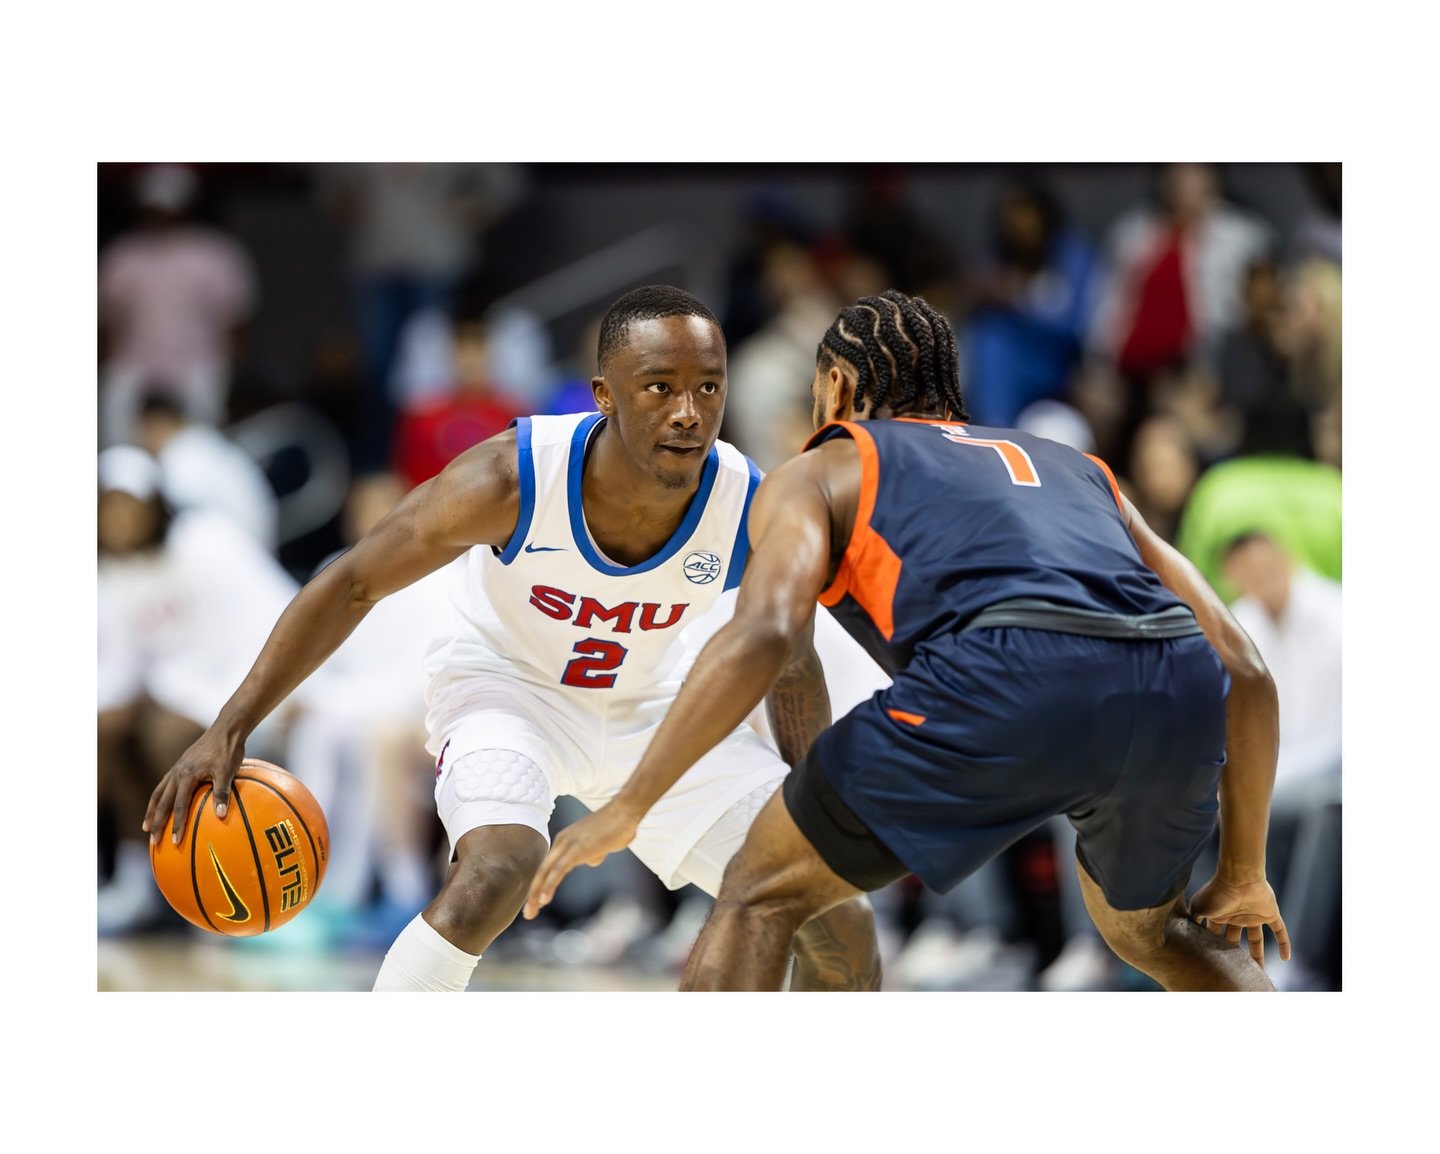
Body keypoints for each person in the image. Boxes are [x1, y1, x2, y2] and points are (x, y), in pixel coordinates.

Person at [524, 289, 1290, 992]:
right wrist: (1245, 870)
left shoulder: (824, 464)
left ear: (839, 389)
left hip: (1007, 670)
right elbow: (1244, 666)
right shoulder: (1077, 467)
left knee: (758, 893)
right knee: (1152, 933)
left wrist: (632, 801)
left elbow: (764, 633)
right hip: (1174, 683)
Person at [145, 284, 881, 992]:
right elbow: (352, 583)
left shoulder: (747, 500)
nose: (689, 413)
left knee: (838, 913)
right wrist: (231, 725)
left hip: (657, 709)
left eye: (709, 389)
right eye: (660, 387)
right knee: (498, 869)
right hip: (508, 692)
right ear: (604, 395)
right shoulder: (512, 477)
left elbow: (791, 663)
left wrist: (812, 806)